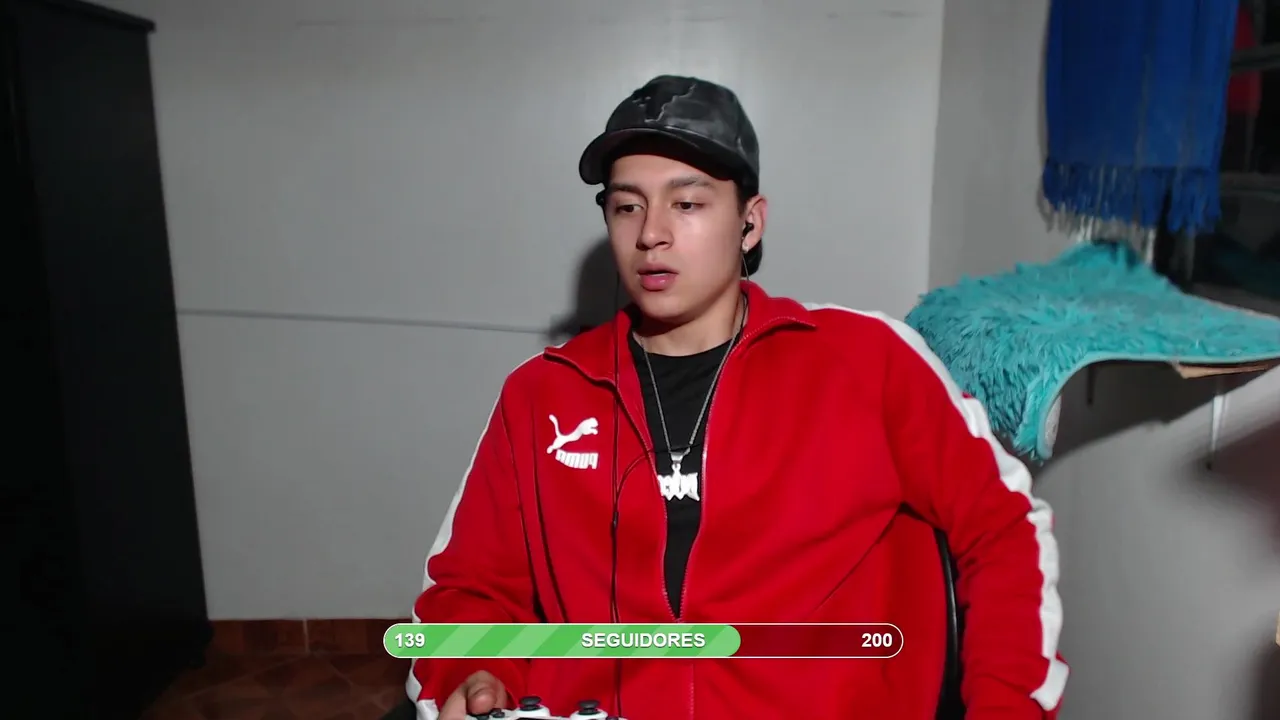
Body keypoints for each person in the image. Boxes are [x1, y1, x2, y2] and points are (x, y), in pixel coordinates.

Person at [406, 74, 1068, 720]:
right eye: (627, 206)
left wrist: (1005, 706)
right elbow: (468, 588)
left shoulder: (867, 362)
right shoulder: (541, 393)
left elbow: (1003, 527)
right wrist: (473, 674)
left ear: (750, 223)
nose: (651, 234)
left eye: (687, 204)